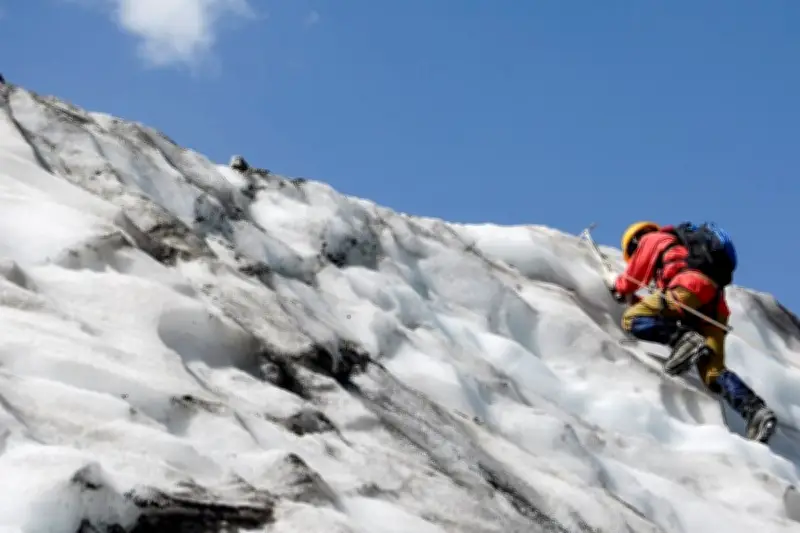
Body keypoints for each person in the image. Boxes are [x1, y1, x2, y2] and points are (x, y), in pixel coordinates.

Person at [603, 221, 777, 443]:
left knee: (632, 319)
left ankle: (684, 340)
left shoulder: (652, 240)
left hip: (688, 288)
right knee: (712, 372)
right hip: (714, 308)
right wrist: (635, 299)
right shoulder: (684, 250)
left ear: (635, 241)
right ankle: (757, 413)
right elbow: (662, 306)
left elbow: (632, 279)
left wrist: (617, 286)